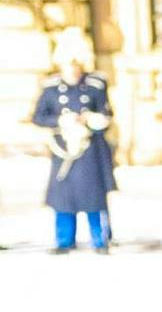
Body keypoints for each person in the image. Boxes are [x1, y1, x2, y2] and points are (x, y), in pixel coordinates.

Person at [32, 39, 113, 252]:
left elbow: (106, 115)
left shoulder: (95, 87)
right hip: (64, 150)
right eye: (69, 65)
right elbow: (39, 117)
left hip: (89, 152)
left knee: (93, 197)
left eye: (77, 64)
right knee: (64, 199)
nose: (73, 69)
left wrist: (91, 120)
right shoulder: (51, 89)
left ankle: (100, 240)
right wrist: (60, 121)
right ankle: (64, 240)